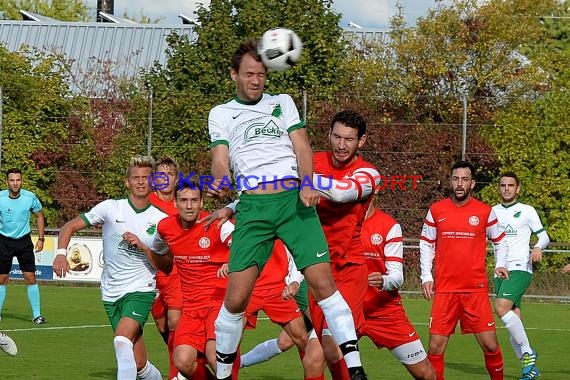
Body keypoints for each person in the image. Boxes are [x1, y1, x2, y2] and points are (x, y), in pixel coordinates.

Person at [207, 38, 368, 380]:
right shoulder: (221, 113)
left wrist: (308, 183)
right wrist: (220, 178)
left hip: (292, 200)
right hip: (253, 206)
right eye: (249, 74)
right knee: (235, 299)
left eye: (261, 74)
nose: (256, 80)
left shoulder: (282, 103)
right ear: (234, 74)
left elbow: (302, 146)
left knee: (323, 282)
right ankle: (222, 374)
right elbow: (221, 158)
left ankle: (356, 370)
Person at [53, 155, 172, 380]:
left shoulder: (161, 220)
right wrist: (60, 254)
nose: (140, 182)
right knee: (138, 363)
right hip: (110, 292)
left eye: (145, 177)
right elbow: (69, 226)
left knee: (121, 340)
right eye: (135, 177)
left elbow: (167, 266)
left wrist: (143, 246)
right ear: (127, 182)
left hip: (141, 289)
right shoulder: (110, 208)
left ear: (153, 181)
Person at [420, 161, 509, 380]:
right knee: (435, 347)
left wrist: (501, 264)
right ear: (451, 181)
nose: (460, 184)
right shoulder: (436, 210)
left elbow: (500, 241)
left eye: (465, 179)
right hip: (445, 290)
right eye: (456, 179)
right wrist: (426, 275)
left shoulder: (485, 211)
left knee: (490, 345)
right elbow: (426, 243)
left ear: (473, 183)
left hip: (474, 290)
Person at [153, 178, 236, 380]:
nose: (189, 206)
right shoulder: (165, 227)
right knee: (182, 360)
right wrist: (165, 266)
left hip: (219, 303)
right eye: (183, 200)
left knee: (214, 356)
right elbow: (158, 250)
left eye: (194, 200)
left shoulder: (218, 224)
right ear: (175, 202)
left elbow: (245, 246)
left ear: (201, 202)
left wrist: (232, 262)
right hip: (190, 307)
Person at [360, 199, 435, 380]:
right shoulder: (337, 223)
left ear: (375, 189)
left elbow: (397, 277)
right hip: (347, 311)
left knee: (426, 374)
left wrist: (384, 281)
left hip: (384, 312)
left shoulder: (388, 225)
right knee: (314, 360)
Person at [492, 172, 549, 380]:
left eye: (510, 185)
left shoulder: (527, 211)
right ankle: (530, 371)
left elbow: (544, 236)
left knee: (500, 307)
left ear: (518, 188)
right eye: (503, 185)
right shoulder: (492, 212)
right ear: (499, 188)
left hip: (520, 267)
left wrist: (537, 247)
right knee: (513, 322)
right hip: (499, 270)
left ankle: (528, 353)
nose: (506, 189)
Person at [148, 156, 183, 380]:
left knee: (175, 323)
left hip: (175, 274)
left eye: (170, 174)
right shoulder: (144, 202)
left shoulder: (183, 205)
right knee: (163, 327)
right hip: (148, 275)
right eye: (161, 174)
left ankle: (177, 373)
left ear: (176, 178)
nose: (166, 179)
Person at [0, 168, 47, 324]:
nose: (15, 183)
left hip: (24, 241)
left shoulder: (29, 197)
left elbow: (39, 215)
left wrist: (41, 239)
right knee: (2, 279)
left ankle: (37, 315)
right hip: (4, 241)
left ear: (22, 181)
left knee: (30, 277)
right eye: (12, 180)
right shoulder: (0, 198)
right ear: (7, 182)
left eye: (18, 180)